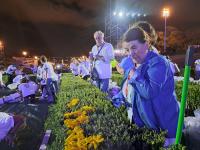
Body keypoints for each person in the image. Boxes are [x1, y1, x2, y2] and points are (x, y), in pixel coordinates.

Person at [122, 27, 180, 146]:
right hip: (149, 127)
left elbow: (149, 92)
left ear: (147, 44)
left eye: (134, 47)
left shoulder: (158, 62)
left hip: (164, 128)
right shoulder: (138, 64)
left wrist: (134, 75)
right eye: (127, 49)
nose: (131, 53)